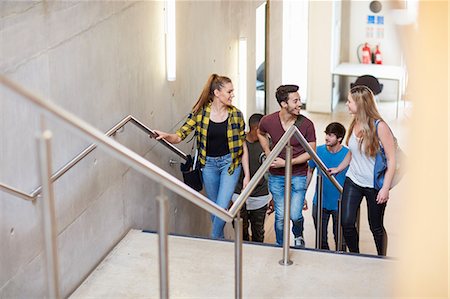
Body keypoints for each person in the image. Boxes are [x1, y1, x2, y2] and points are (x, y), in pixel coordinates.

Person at [153, 74, 250, 239]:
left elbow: (242, 146)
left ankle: (213, 239)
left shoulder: (236, 115)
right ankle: (220, 242)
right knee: (214, 210)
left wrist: (247, 175)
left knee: (221, 208)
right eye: (229, 91)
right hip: (209, 166)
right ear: (217, 93)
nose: (232, 95)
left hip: (230, 165)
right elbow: (179, 136)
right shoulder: (200, 114)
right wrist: (165, 135)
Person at [329, 85, 396, 256]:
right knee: (347, 222)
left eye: (349, 101)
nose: (346, 104)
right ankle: (356, 255)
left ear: (360, 104)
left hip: (374, 185)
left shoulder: (380, 127)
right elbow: (352, 152)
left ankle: (382, 257)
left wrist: (385, 188)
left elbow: (391, 159)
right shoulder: (355, 122)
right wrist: (339, 168)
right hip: (353, 180)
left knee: (376, 227)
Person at [257, 85, 316, 247]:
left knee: (295, 215)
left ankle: (298, 235)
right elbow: (260, 133)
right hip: (276, 176)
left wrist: (287, 162)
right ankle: (280, 245)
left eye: (299, 100)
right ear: (284, 104)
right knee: (281, 216)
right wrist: (268, 152)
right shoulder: (268, 121)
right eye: (295, 101)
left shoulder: (306, 124)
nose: (299, 104)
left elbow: (311, 152)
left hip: (298, 175)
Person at [306, 122, 348, 250]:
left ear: (339, 138)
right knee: (320, 239)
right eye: (326, 134)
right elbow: (309, 171)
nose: (326, 138)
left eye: (331, 135)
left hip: (340, 204)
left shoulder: (348, 154)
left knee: (340, 240)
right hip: (319, 203)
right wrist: (303, 193)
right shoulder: (318, 151)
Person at [231, 113, 270, 243]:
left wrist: (273, 197)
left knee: (258, 234)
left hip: (260, 195)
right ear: (255, 129)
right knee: (241, 233)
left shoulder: (268, 144)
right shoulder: (238, 144)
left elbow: (275, 173)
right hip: (239, 194)